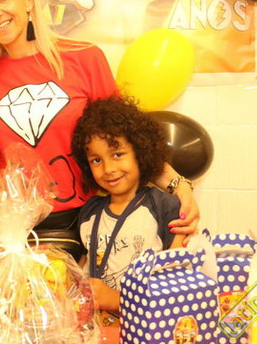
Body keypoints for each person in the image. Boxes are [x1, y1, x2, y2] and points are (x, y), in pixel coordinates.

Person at [0, 0, 198, 260]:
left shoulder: (83, 58)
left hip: (83, 221)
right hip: (12, 228)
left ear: (27, 0)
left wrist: (178, 185)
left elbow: (125, 138)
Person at [72, 96, 184, 326]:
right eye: (96, 160)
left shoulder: (164, 207)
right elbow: (83, 268)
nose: (108, 169)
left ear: (140, 152)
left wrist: (117, 300)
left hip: (148, 330)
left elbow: (177, 286)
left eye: (117, 154)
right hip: (96, 332)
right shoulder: (89, 212)